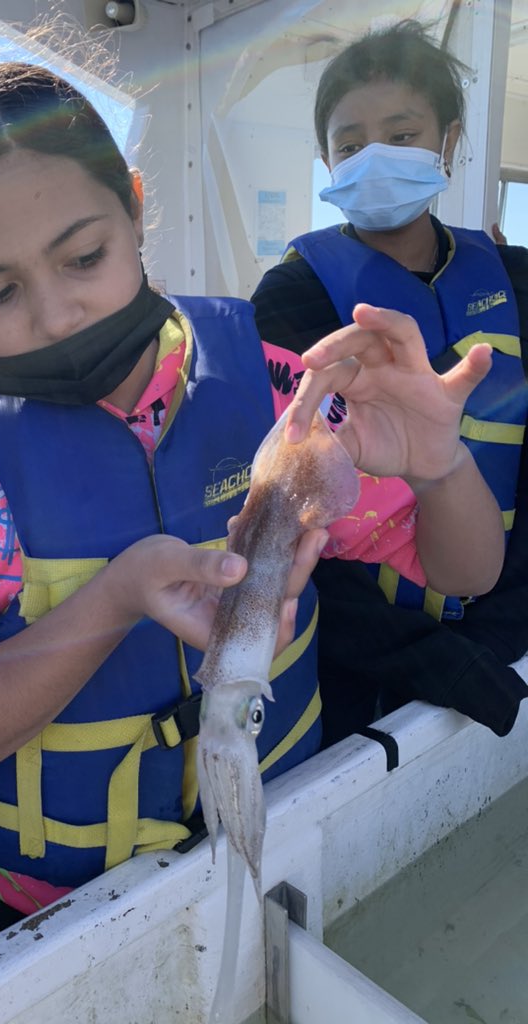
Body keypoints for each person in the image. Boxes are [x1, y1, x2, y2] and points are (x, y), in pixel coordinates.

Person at [0, 61, 504, 931]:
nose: (57, 313)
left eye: (85, 256)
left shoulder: (272, 380)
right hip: (64, 919)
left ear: (133, 206)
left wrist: (439, 466)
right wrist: (119, 595)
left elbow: (462, 570)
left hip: (287, 838)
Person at [251, 20, 528, 746]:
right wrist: (426, 660)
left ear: (449, 140)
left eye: (402, 136)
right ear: (327, 160)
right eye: (350, 144)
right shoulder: (288, 301)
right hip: (365, 671)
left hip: (511, 641)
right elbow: (290, 514)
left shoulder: (519, 279)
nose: (375, 157)